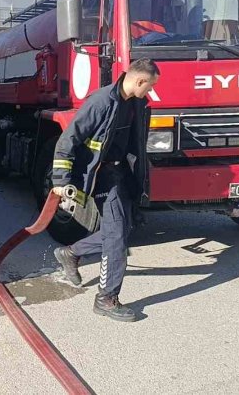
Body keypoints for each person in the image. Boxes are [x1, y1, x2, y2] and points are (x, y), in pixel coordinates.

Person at [51, 59, 160, 322]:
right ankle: (106, 298)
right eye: (150, 86)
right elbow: (69, 139)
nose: (151, 92)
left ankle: (71, 252)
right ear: (139, 81)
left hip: (121, 172)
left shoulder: (136, 103)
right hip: (101, 176)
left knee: (120, 230)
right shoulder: (101, 102)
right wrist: (61, 180)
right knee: (116, 238)